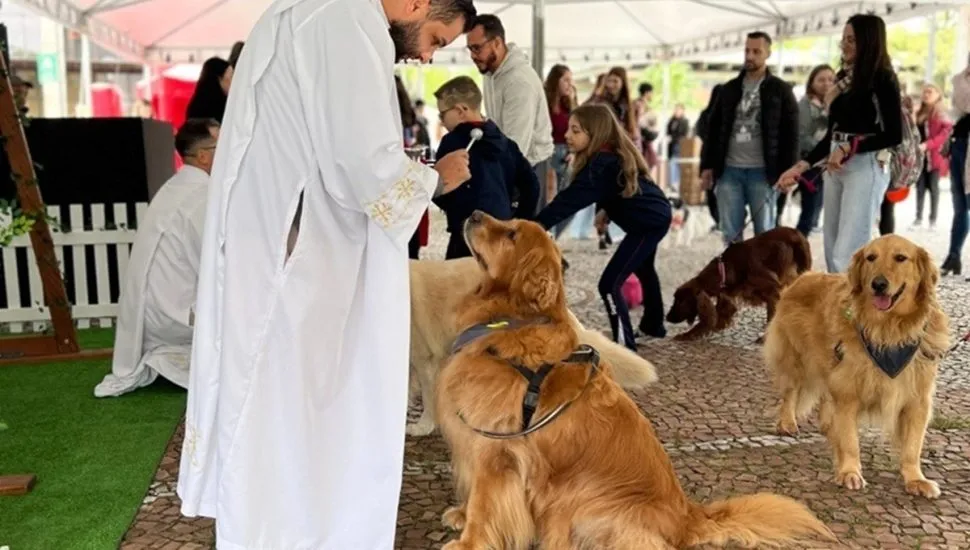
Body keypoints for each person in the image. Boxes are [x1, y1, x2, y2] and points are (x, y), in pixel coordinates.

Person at [175, 1, 475, 549]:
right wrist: (436, 179)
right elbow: (362, 165)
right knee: (306, 409)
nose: (427, 53)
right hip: (298, 264)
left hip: (279, 251)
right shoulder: (343, 21)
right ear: (418, 2)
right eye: (436, 37)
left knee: (284, 410)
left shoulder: (309, 12)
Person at [94, 119, 219, 398]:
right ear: (203, 157)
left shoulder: (176, 187)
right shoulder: (201, 196)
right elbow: (217, 264)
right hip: (173, 316)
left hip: (151, 315)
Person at [534, 104, 671, 350]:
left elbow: (568, 201)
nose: (567, 136)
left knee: (609, 284)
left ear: (595, 134)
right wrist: (604, 210)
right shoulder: (606, 158)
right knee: (645, 270)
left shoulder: (601, 164)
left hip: (647, 224)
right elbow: (615, 189)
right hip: (655, 215)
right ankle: (653, 325)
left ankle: (624, 346)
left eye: (575, 131)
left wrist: (533, 226)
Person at [778, 14, 902, 274]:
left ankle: (851, 311)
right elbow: (831, 135)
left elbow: (893, 135)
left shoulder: (883, 78)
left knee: (850, 248)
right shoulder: (843, 77)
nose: (843, 45)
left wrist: (849, 147)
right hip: (835, 163)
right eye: (843, 39)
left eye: (851, 40)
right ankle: (842, 308)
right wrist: (800, 167)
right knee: (831, 242)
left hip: (866, 165)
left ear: (868, 42)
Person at [700, 31, 800, 244]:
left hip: (764, 173)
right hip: (729, 171)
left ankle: (763, 277)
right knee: (730, 233)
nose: (750, 56)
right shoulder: (728, 89)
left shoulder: (781, 90)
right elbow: (713, 129)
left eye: (756, 51)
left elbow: (792, 134)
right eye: (747, 50)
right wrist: (707, 167)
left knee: (765, 233)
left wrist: (791, 171)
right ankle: (734, 276)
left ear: (768, 54)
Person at [432, 76, 539, 258]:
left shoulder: (452, 142)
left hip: (466, 234)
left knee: (462, 284)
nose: (441, 121)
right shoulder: (506, 144)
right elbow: (532, 186)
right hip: (502, 233)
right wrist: (517, 221)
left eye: (442, 114)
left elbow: (440, 185)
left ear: (460, 110)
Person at [466, 13, 554, 211]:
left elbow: (516, 145)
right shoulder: (491, 72)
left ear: (497, 42)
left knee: (522, 238)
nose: (472, 55)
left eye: (477, 48)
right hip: (508, 162)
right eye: (469, 49)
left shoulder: (519, 81)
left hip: (526, 166)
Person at [793, 64, 835, 237]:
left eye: (831, 79)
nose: (827, 84)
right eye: (821, 80)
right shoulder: (805, 105)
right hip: (810, 164)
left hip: (828, 165)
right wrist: (825, 151)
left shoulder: (834, 104)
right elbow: (802, 137)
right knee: (809, 212)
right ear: (812, 82)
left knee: (817, 210)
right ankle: (796, 246)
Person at [943, 54, 970, 278]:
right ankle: (953, 256)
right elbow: (959, 107)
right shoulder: (960, 79)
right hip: (959, 143)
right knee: (959, 206)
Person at [912, 82, 952, 230]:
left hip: (934, 158)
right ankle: (918, 218)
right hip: (919, 158)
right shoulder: (919, 112)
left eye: (930, 92)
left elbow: (944, 135)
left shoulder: (942, 114)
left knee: (934, 188)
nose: (926, 95)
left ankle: (933, 220)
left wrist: (927, 145)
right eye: (925, 92)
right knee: (920, 187)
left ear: (938, 95)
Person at [544, 63, 577, 238]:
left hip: (566, 155)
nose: (569, 84)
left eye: (571, 80)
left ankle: (553, 237)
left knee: (570, 201)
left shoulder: (569, 106)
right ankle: (547, 238)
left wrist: (573, 152)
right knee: (546, 198)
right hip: (547, 153)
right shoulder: (544, 104)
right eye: (566, 80)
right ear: (556, 80)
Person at [184, 57, 233, 123]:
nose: (234, 82)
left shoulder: (195, 106)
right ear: (219, 80)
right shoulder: (201, 110)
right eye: (231, 77)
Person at [666, 103, 690, 191]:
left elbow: (684, 135)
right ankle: (674, 183)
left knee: (675, 162)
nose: (676, 111)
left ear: (682, 111)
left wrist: (672, 138)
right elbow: (668, 131)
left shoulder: (684, 121)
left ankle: (675, 182)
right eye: (675, 109)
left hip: (679, 145)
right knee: (673, 163)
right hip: (672, 145)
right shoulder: (671, 120)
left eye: (678, 109)